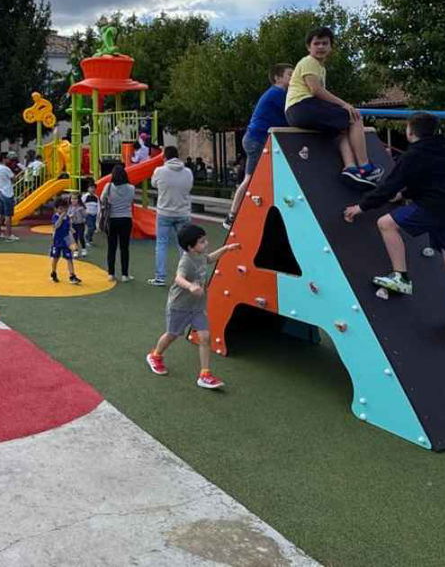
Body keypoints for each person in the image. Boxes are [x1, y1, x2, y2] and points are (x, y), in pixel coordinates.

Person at [343, 112, 445, 339]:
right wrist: (403, 194)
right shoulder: (442, 151)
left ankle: (401, 276)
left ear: (410, 131)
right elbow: (429, 180)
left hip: (435, 206)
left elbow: (389, 185)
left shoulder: (412, 154)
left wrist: (361, 207)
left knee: (386, 223)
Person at [145, 224, 239, 389]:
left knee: (205, 337)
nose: (206, 243)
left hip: (196, 307)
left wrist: (226, 249)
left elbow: (210, 259)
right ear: (190, 247)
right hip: (179, 306)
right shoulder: (186, 261)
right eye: (202, 242)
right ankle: (155, 355)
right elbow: (178, 278)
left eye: (205, 240)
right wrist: (190, 286)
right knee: (172, 335)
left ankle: (205, 374)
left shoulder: (200, 255)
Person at [285, 27, 379, 187]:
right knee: (354, 117)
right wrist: (344, 105)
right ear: (309, 47)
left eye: (325, 43)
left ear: (330, 47)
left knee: (339, 129)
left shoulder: (320, 68)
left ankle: (350, 168)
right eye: (317, 43)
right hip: (302, 106)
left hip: (299, 110)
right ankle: (364, 166)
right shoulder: (309, 62)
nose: (321, 47)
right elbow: (316, 90)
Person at [223, 64, 293, 229]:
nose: (293, 77)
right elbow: (291, 115)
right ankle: (231, 215)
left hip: (256, 138)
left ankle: (254, 204)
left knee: (263, 175)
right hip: (257, 139)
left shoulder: (278, 94)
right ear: (278, 78)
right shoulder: (277, 93)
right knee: (250, 178)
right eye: (290, 74)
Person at [152, 146, 195, 286]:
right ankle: (186, 275)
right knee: (184, 246)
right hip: (183, 212)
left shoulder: (159, 171)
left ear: (165, 157)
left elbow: (154, 184)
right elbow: (189, 187)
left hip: (164, 212)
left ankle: (160, 276)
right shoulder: (188, 172)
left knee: (161, 244)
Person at [102, 163, 137, 282]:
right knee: (124, 248)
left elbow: (102, 199)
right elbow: (131, 200)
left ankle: (111, 274)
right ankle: (125, 274)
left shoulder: (108, 186)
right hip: (126, 219)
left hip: (112, 219)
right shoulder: (131, 188)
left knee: (111, 247)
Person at [47, 196, 83, 284]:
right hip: (57, 241)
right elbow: (56, 226)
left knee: (69, 258)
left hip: (66, 241)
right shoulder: (55, 217)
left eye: (64, 208)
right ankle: (53, 272)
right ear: (56, 209)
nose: (62, 210)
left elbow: (69, 226)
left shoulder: (67, 217)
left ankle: (72, 275)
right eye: (60, 209)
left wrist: (72, 232)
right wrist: (61, 217)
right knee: (55, 258)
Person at [0, 152, 18, 240]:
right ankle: (8, 234)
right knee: (8, 215)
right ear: (4, 159)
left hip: (0, 191)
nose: (9, 160)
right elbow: (14, 179)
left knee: (0, 214)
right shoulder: (6, 169)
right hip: (7, 192)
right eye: (7, 158)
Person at [68, 179, 89, 257]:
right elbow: (68, 215)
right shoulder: (70, 207)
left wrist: (82, 213)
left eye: (75, 199)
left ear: (78, 200)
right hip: (73, 224)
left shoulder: (81, 207)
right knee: (74, 238)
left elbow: (85, 215)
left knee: (81, 237)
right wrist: (70, 216)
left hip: (80, 224)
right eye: (72, 199)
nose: (74, 200)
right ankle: (76, 251)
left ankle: (83, 249)